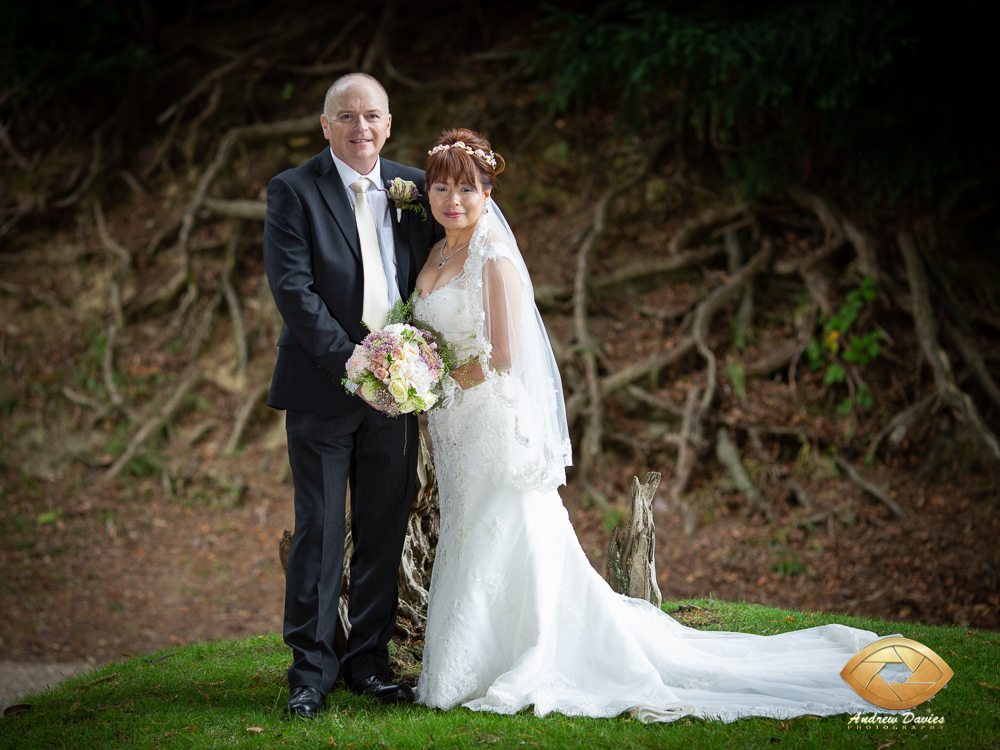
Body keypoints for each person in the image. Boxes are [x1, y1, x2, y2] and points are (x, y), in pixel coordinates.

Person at [412, 128, 893, 722]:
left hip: (487, 424)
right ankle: (470, 660)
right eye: (440, 187)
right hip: (452, 428)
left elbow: (503, 357)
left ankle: (521, 658)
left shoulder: (494, 258)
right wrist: (414, 367)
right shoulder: (434, 254)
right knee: (468, 528)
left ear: (488, 193)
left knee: (505, 530)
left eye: (466, 187)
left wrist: (436, 376)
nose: (451, 199)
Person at [263, 73, 441, 718]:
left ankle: (368, 660)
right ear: (325, 124)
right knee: (318, 527)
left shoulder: (415, 188)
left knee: (383, 524)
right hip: (323, 387)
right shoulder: (293, 191)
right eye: (347, 117)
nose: (360, 128)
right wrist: (357, 362)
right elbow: (294, 290)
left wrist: (411, 367)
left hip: (398, 394)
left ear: (388, 123)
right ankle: (310, 670)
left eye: (372, 117)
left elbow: (436, 274)